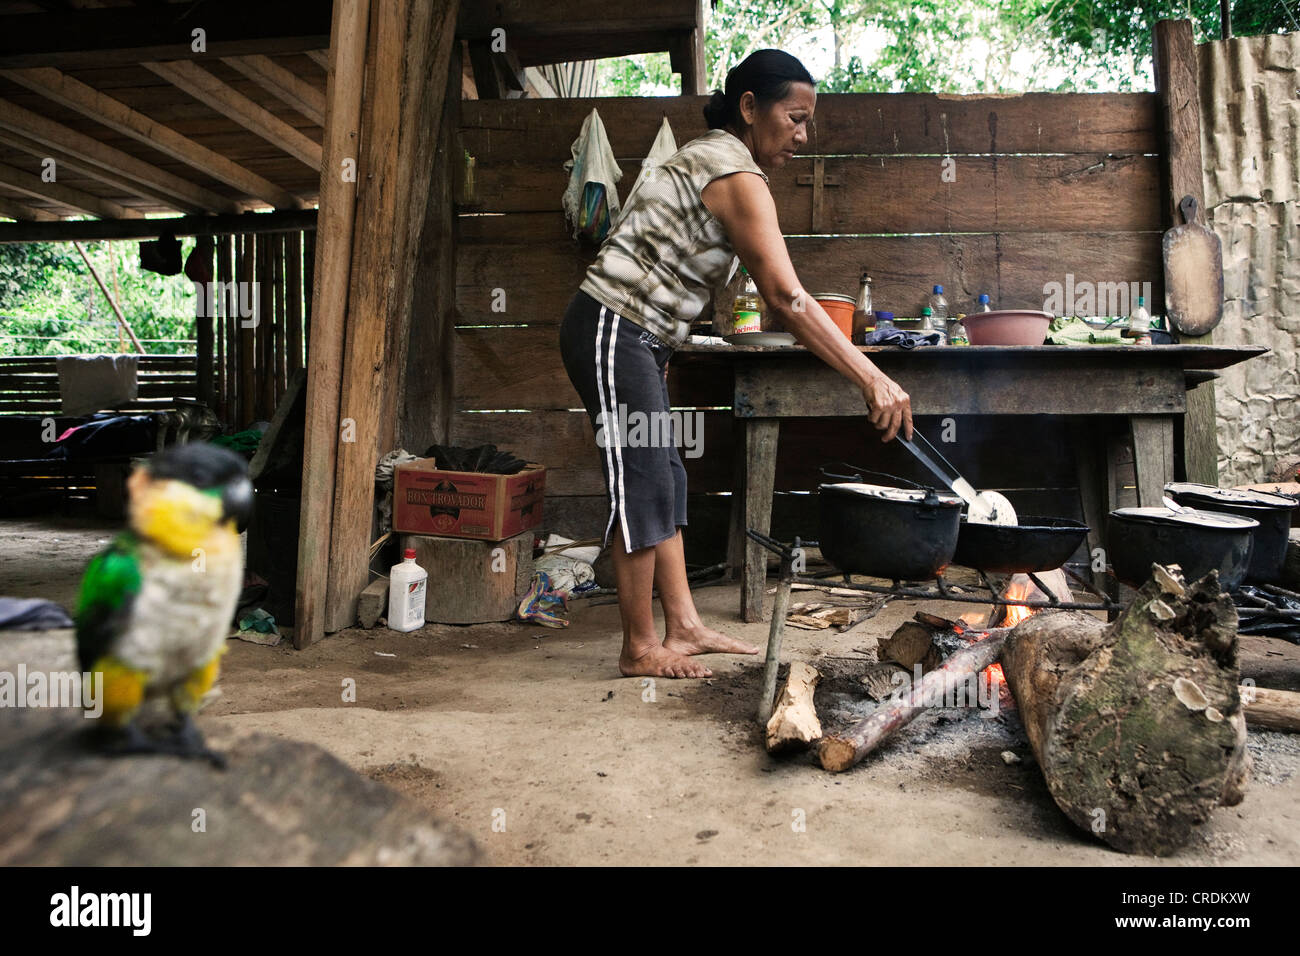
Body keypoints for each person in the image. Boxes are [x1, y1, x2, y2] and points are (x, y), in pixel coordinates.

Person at [560, 49, 913, 679]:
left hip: (639, 339)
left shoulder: (722, 162)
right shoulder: (733, 173)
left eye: (809, 122)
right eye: (795, 118)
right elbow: (787, 298)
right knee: (641, 478)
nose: (803, 136)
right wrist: (873, 377)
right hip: (612, 327)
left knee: (665, 474)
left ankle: (686, 626)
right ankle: (639, 648)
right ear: (750, 107)